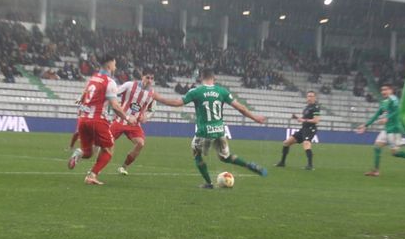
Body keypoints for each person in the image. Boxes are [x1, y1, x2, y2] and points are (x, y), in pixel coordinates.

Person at [151, 68, 268, 189]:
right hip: (219, 131)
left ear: (201, 78)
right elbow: (241, 108)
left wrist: (158, 98)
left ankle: (209, 183)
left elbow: (177, 103)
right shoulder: (222, 91)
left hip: (204, 132)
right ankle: (249, 165)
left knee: (197, 154)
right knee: (225, 157)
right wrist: (255, 118)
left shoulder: (196, 91)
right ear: (214, 78)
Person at [69, 53, 136, 186]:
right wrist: (127, 118)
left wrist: (80, 100)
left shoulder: (93, 78)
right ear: (109, 64)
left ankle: (79, 154)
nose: (115, 67)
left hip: (83, 120)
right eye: (115, 64)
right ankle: (92, 175)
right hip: (97, 120)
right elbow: (115, 106)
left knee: (88, 152)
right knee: (109, 150)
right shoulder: (109, 82)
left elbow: (84, 93)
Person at [357, 84, 405, 176]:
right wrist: (366, 125)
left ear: (391, 91)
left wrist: (387, 118)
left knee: (395, 153)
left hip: (394, 130)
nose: (383, 92)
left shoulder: (393, 99)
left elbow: (397, 110)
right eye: (382, 90)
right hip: (387, 130)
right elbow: (377, 114)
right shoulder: (384, 102)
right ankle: (376, 171)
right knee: (377, 147)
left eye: (385, 89)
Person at [111, 70, 156, 176]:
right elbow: (113, 94)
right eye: (147, 77)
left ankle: (123, 167)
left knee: (140, 143)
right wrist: (117, 108)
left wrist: (146, 117)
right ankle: (94, 168)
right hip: (120, 120)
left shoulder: (152, 94)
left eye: (151, 78)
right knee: (106, 143)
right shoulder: (129, 85)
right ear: (142, 77)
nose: (149, 80)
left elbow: (152, 110)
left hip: (134, 124)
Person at [276, 90, 321, 170]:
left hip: (310, 129)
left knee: (306, 144)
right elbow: (303, 119)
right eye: (308, 96)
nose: (309, 98)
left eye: (311, 96)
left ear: (315, 98)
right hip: (303, 129)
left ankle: (310, 165)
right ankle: (282, 162)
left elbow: (316, 120)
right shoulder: (306, 108)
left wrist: (304, 120)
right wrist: (296, 117)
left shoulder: (315, 108)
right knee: (286, 143)